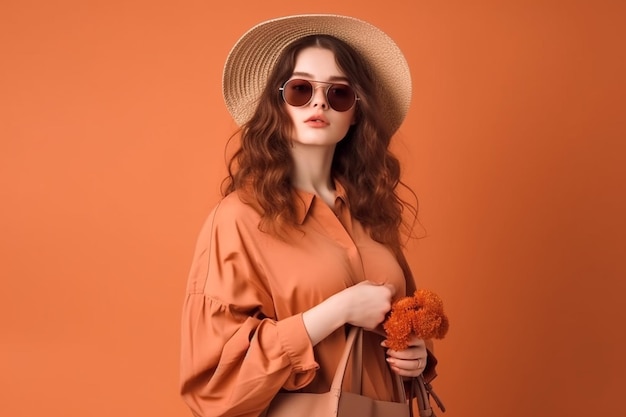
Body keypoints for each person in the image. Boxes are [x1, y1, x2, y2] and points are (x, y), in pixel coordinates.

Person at [180, 14, 436, 417]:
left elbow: (402, 320)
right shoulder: (238, 219)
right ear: (276, 104)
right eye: (301, 89)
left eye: (338, 94)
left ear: (355, 113)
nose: (319, 102)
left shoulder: (370, 211)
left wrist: (416, 356)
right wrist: (336, 312)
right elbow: (214, 384)